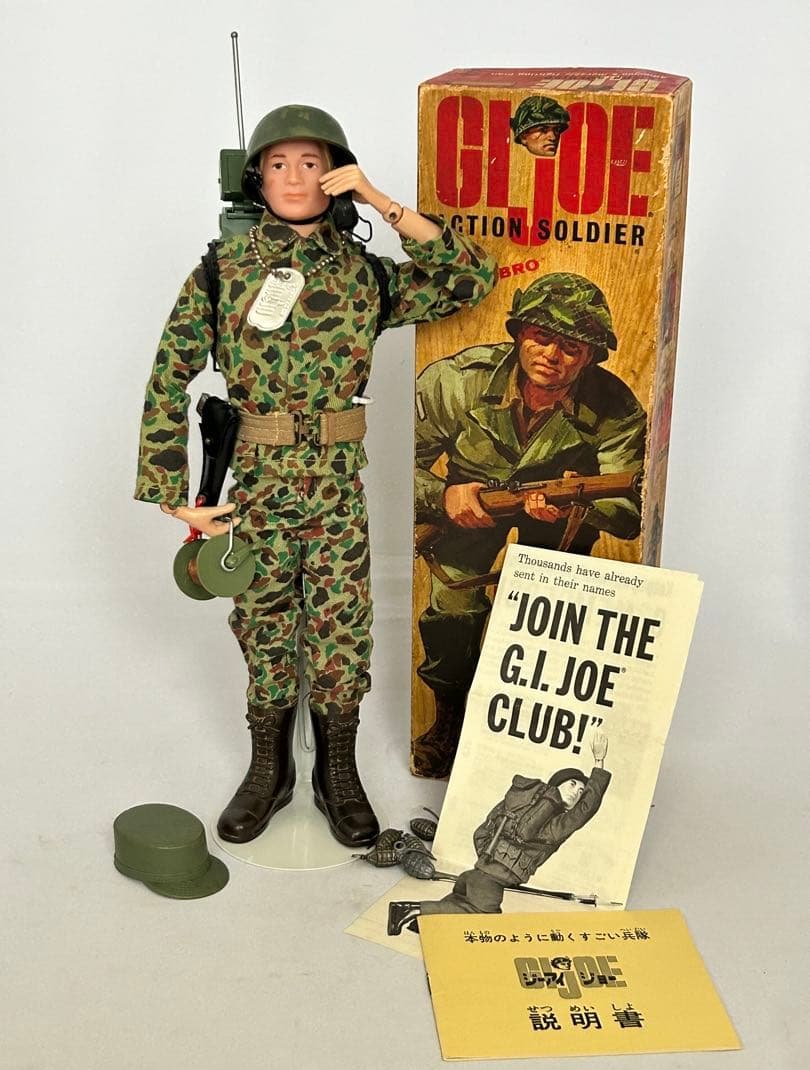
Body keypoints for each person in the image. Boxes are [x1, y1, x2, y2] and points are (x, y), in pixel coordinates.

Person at [135, 104, 496, 848]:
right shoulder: (222, 271)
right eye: (278, 164)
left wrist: (381, 200)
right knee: (263, 619)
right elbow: (169, 377)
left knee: (342, 625)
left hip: (336, 486)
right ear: (256, 179)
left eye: (311, 163)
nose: (294, 178)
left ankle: (338, 771)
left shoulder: (364, 275)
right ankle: (269, 769)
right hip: (257, 484)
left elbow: (468, 279)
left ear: (335, 174)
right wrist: (177, 497)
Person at [412, 273, 646, 777]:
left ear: (590, 356)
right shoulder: (456, 381)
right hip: (469, 508)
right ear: (520, 332)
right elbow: (389, 466)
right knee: (451, 615)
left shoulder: (617, 408)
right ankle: (449, 723)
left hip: (562, 521)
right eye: (541, 336)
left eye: (571, 347)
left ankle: (527, 738)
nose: (551, 355)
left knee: (549, 622)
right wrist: (443, 496)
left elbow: (631, 512)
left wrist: (578, 505)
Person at [388, 734, 610, 934]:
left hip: (478, 872)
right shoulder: (556, 826)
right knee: (487, 919)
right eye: (572, 785)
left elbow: (484, 830)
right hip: (491, 880)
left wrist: (487, 859)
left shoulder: (521, 803)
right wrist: (599, 762)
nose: (576, 793)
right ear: (556, 785)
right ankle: (411, 909)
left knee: (462, 904)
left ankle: (423, 924)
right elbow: (585, 810)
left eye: (581, 791)